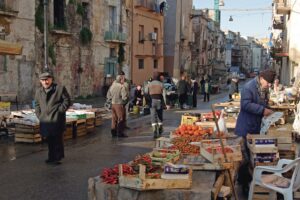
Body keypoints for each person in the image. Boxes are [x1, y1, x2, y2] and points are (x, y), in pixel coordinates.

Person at [235, 69, 276, 194]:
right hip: (246, 127)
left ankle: (251, 183)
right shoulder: (249, 87)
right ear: (262, 78)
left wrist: (268, 110)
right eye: (268, 82)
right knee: (245, 158)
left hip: (255, 127)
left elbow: (264, 103)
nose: (269, 85)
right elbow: (245, 105)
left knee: (253, 158)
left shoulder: (263, 88)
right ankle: (244, 185)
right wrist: (262, 111)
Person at [35, 70, 71, 165]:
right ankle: (51, 157)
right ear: (40, 81)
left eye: (47, 79)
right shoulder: (38, 92)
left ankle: (56, 158)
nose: (45, 82)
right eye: (43, 80)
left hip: (56, 119)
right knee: (49, 140)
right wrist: (39, 115)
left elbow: (67, 101)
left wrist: (59, 111)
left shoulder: (59, 89)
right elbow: (37, 104)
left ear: (51, 80)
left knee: (57, 140)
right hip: (45, 120)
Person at [147, 73, 164, 138]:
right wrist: (165, 103)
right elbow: (164, 94)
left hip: (152, 101)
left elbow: (145, 92)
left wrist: (148, 101)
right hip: (159, 100)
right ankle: (160, 129)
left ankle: (154, 131)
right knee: (160, 115)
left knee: (153, 116)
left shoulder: (149, 84)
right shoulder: (161, 84)